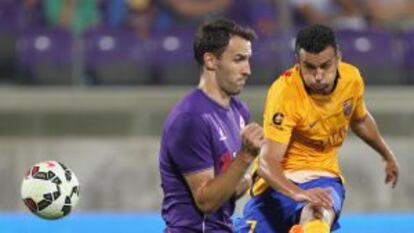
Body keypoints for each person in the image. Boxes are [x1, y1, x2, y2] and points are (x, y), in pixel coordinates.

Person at [234, 24, 400, 233]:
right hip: (278, 183)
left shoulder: (352, 79)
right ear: (298, 62)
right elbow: (268, 162)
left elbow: (359, 119)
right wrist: (296, 193)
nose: (318, 76)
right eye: (310, 68)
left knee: (317, 213)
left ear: (338, 57)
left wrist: (386, 154)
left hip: (323, 175)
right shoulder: (284, 92)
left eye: (325, 66)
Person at [159, 18, 264, 232]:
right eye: (239, 59)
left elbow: (230, 188)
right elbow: (206, 202)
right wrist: (245, 157)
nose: (247, 70)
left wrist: (255, 175)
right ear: (210, 61)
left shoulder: (238, 110)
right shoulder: (191, 118)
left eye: (248, 60)